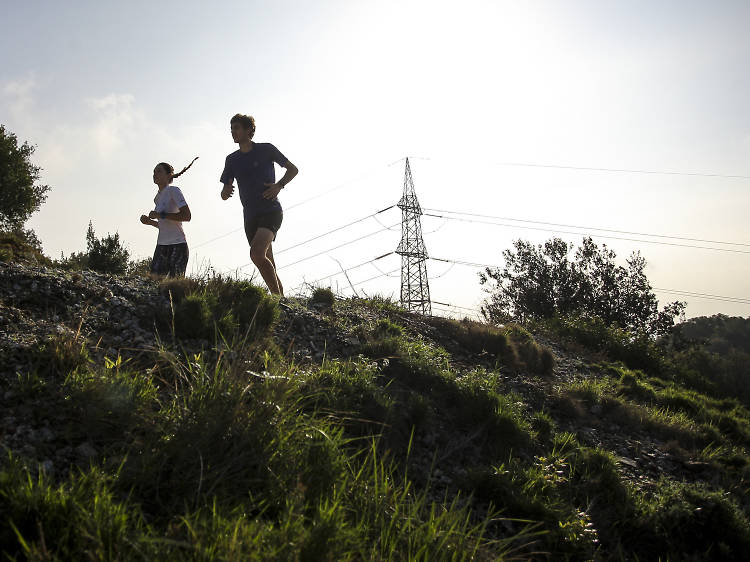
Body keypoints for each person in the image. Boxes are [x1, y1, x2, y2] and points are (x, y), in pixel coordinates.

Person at [220, 114, 298, 295]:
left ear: (249, 130)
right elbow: (225, 191)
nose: (233, 132)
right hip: (250, 216)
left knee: (256, 254)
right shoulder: (231, 159)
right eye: (231, 129)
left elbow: (293, 169)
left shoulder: (266, 149)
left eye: (237, 128)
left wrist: (279, 185)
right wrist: (225, 193)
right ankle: (282, 304)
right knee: (266, 262)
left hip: (270, 210)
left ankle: (277, 300)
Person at [140, 158, 197, 277]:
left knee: (174, 286)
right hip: (161, 245)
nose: (155, 174)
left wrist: (161, 215)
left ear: (168, 175)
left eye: (159, 171)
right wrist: (150, 222)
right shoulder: (157, 198)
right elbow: (163, 225)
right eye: (154, 172)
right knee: (154, 283)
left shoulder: (173, 190)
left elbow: (187, 216)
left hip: (178, 245)